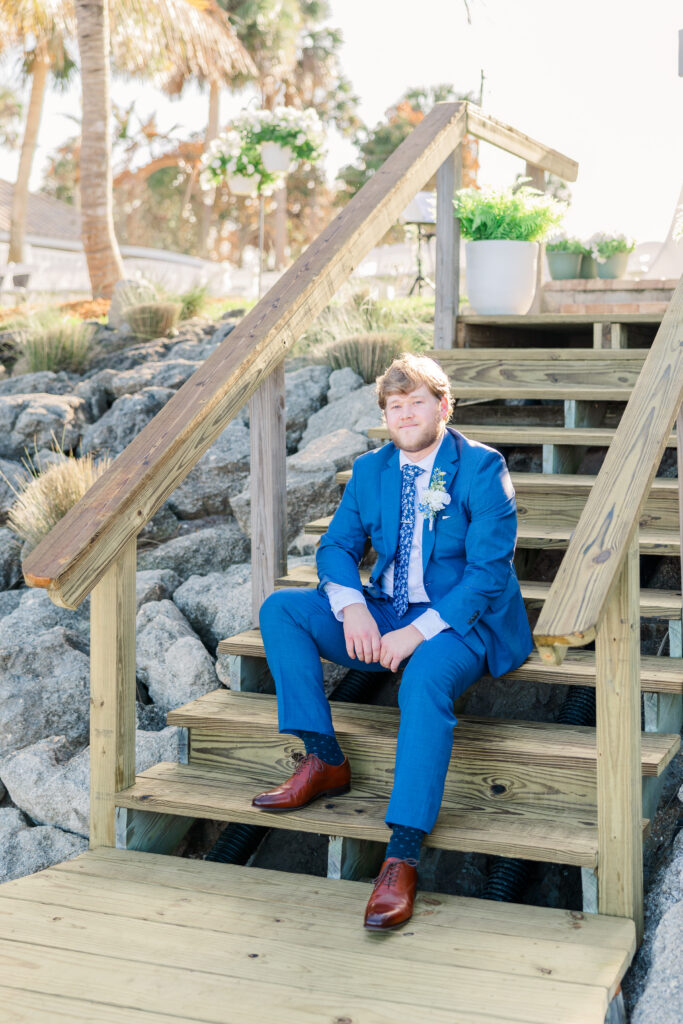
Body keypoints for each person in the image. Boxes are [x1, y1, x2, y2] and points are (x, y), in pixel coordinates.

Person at [253, 353, 533, 929]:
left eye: (418, 403)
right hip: (384, 607)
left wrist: (414, 633)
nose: (406, 416)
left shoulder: (482, 468)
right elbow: (334, 548)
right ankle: (326, 759)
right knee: (282, 609)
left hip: (462, 620)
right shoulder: (371, 470)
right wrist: (352, 605)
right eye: (395, 406)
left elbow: (489, 573)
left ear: (443, 407)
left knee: (427, 676)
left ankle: (402, 854)